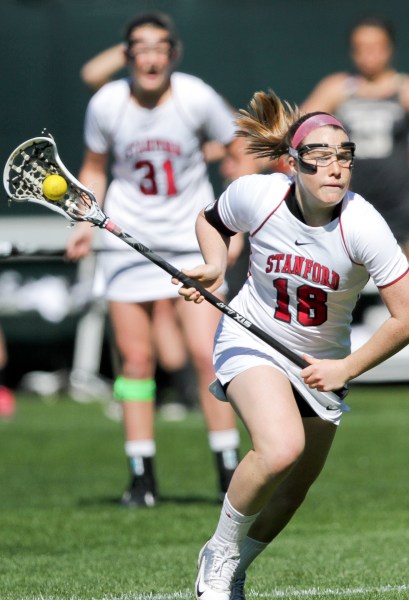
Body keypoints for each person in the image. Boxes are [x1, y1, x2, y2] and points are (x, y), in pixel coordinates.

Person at [174, 90, 409, 600]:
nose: (334, 168)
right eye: (319, 156)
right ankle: (218, 555)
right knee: (280, 449)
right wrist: (216, 266)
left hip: (321, 361)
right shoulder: (258, 195)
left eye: (343, 155)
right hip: (253, 335)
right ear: (293, 164)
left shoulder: (363, 225)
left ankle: (236, 567)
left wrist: (346, 369)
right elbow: (211, 221)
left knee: (294, 488)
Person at [65, 11, 245, 506]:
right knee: (137, 361)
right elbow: (95, 168)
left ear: (173, 54)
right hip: (126, 242)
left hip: (193, 241)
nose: (151, 57)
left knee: (208, 356)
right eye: (140, 48)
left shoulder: (195, 97)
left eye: (160, 48)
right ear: (127, 55)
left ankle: (228, 472)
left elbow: (238, 152)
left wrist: (235, 218)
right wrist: (85, 219)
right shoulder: (106, 104)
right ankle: (141, 477)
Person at [301, 15, 409, 412]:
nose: (369, 55)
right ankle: (314, 371)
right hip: (351, 208)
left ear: (389, 49)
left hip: (405, 208)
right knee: (324, 287)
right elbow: (302, 129)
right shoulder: (337, 89)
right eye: (361, 47)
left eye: (376, 47)